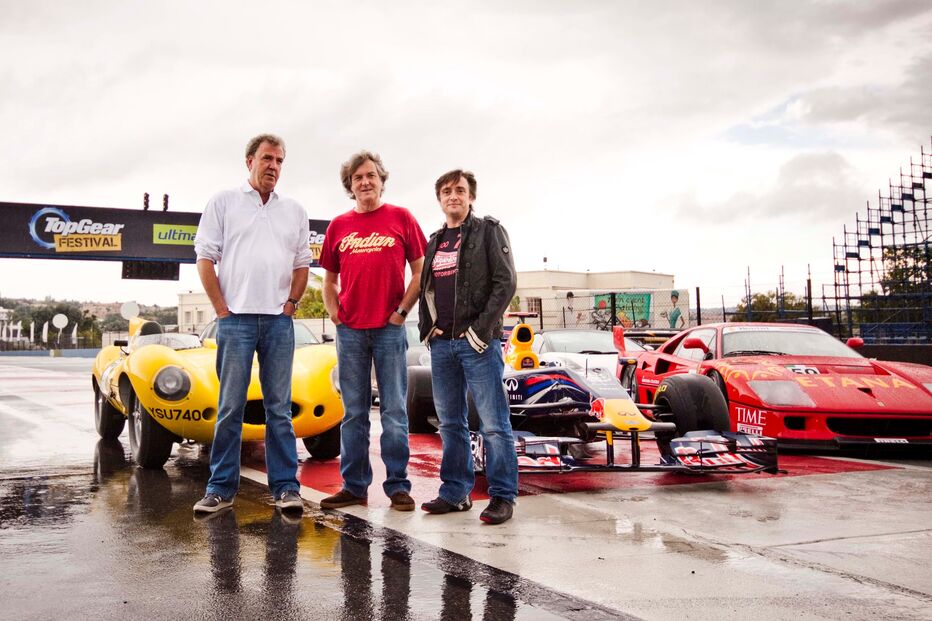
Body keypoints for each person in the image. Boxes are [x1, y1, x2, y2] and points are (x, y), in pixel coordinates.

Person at [193, 134, 311, 514]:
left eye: (279, 160)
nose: (273, 166)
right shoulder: (223, 202)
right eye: (267, 158)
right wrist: (221, 309)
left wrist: (291, 304)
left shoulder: (294, 209)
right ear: (249, 161)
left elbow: (302, 264)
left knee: (279, 409)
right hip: (236, 322)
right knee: (230, 406)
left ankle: (286, 489)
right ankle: (220, 490)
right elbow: (205, 259)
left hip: (279, 322)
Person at [319, 150, 426, 511]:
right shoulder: (338, 226)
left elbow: (420, 270)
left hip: (389, 331)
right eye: (357, 178)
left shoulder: (401, 217)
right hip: (350, 333)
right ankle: (354, 486)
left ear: (381, 179)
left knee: (394, 411)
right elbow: (328, 281)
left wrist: (401, 312)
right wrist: (335, 315)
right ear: (350, 186)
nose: (365, 182)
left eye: (371, 176)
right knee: (353, 413)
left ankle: (398, 486)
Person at [417, 169, 519, 524]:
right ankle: (455, 493)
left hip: (478, 344)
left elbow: (505, 283)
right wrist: (429, 330)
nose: (453, 196)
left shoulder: (489, 231)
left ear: (470, 196)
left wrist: (480, 330)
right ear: (440, 199)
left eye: (459, 190)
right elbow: (425, 289)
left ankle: (503, 496)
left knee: (493, 423)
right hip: (443, 346)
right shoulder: (435, 241)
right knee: (449, 423)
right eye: (446, 191)